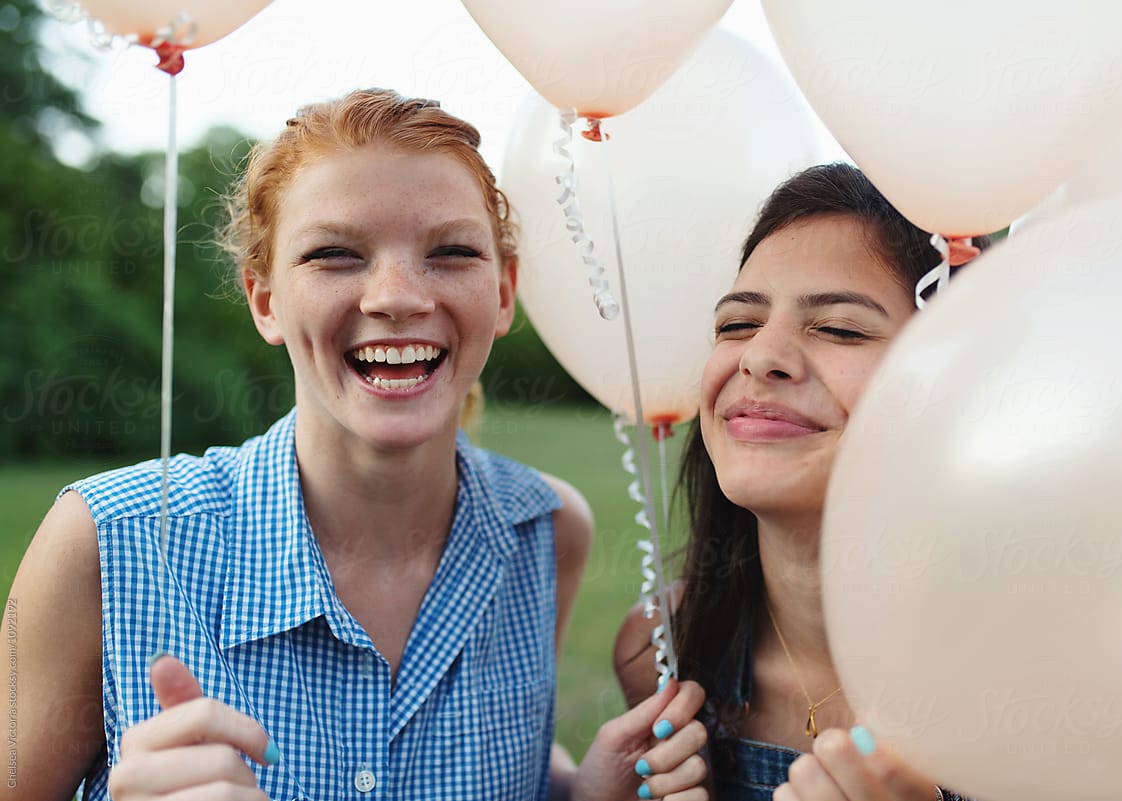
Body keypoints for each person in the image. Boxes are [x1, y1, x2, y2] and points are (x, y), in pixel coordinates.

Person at [7, 89, 709, 801]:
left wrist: (580, 792)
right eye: (336, 254)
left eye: (453, 250)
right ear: (264, 299)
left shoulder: (546, 530)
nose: (396, 295)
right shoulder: (107, 539)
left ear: (503, 292)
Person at [614, 163, 986, 800]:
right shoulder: (663, 648)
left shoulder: (1053, 686)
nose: (760, 355)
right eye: (737, 324)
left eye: (839, 327)